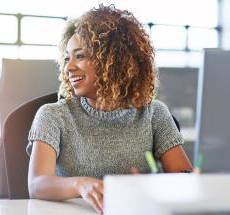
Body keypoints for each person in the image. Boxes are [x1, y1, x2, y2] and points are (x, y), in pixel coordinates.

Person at [26, 4, 192, 214]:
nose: (68, 67)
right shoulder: (53, 115)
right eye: (68, 58)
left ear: (113, 61)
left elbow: (184, 178)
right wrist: (81, 185)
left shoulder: (154, 114)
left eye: (80, 56)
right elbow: (37, 184)